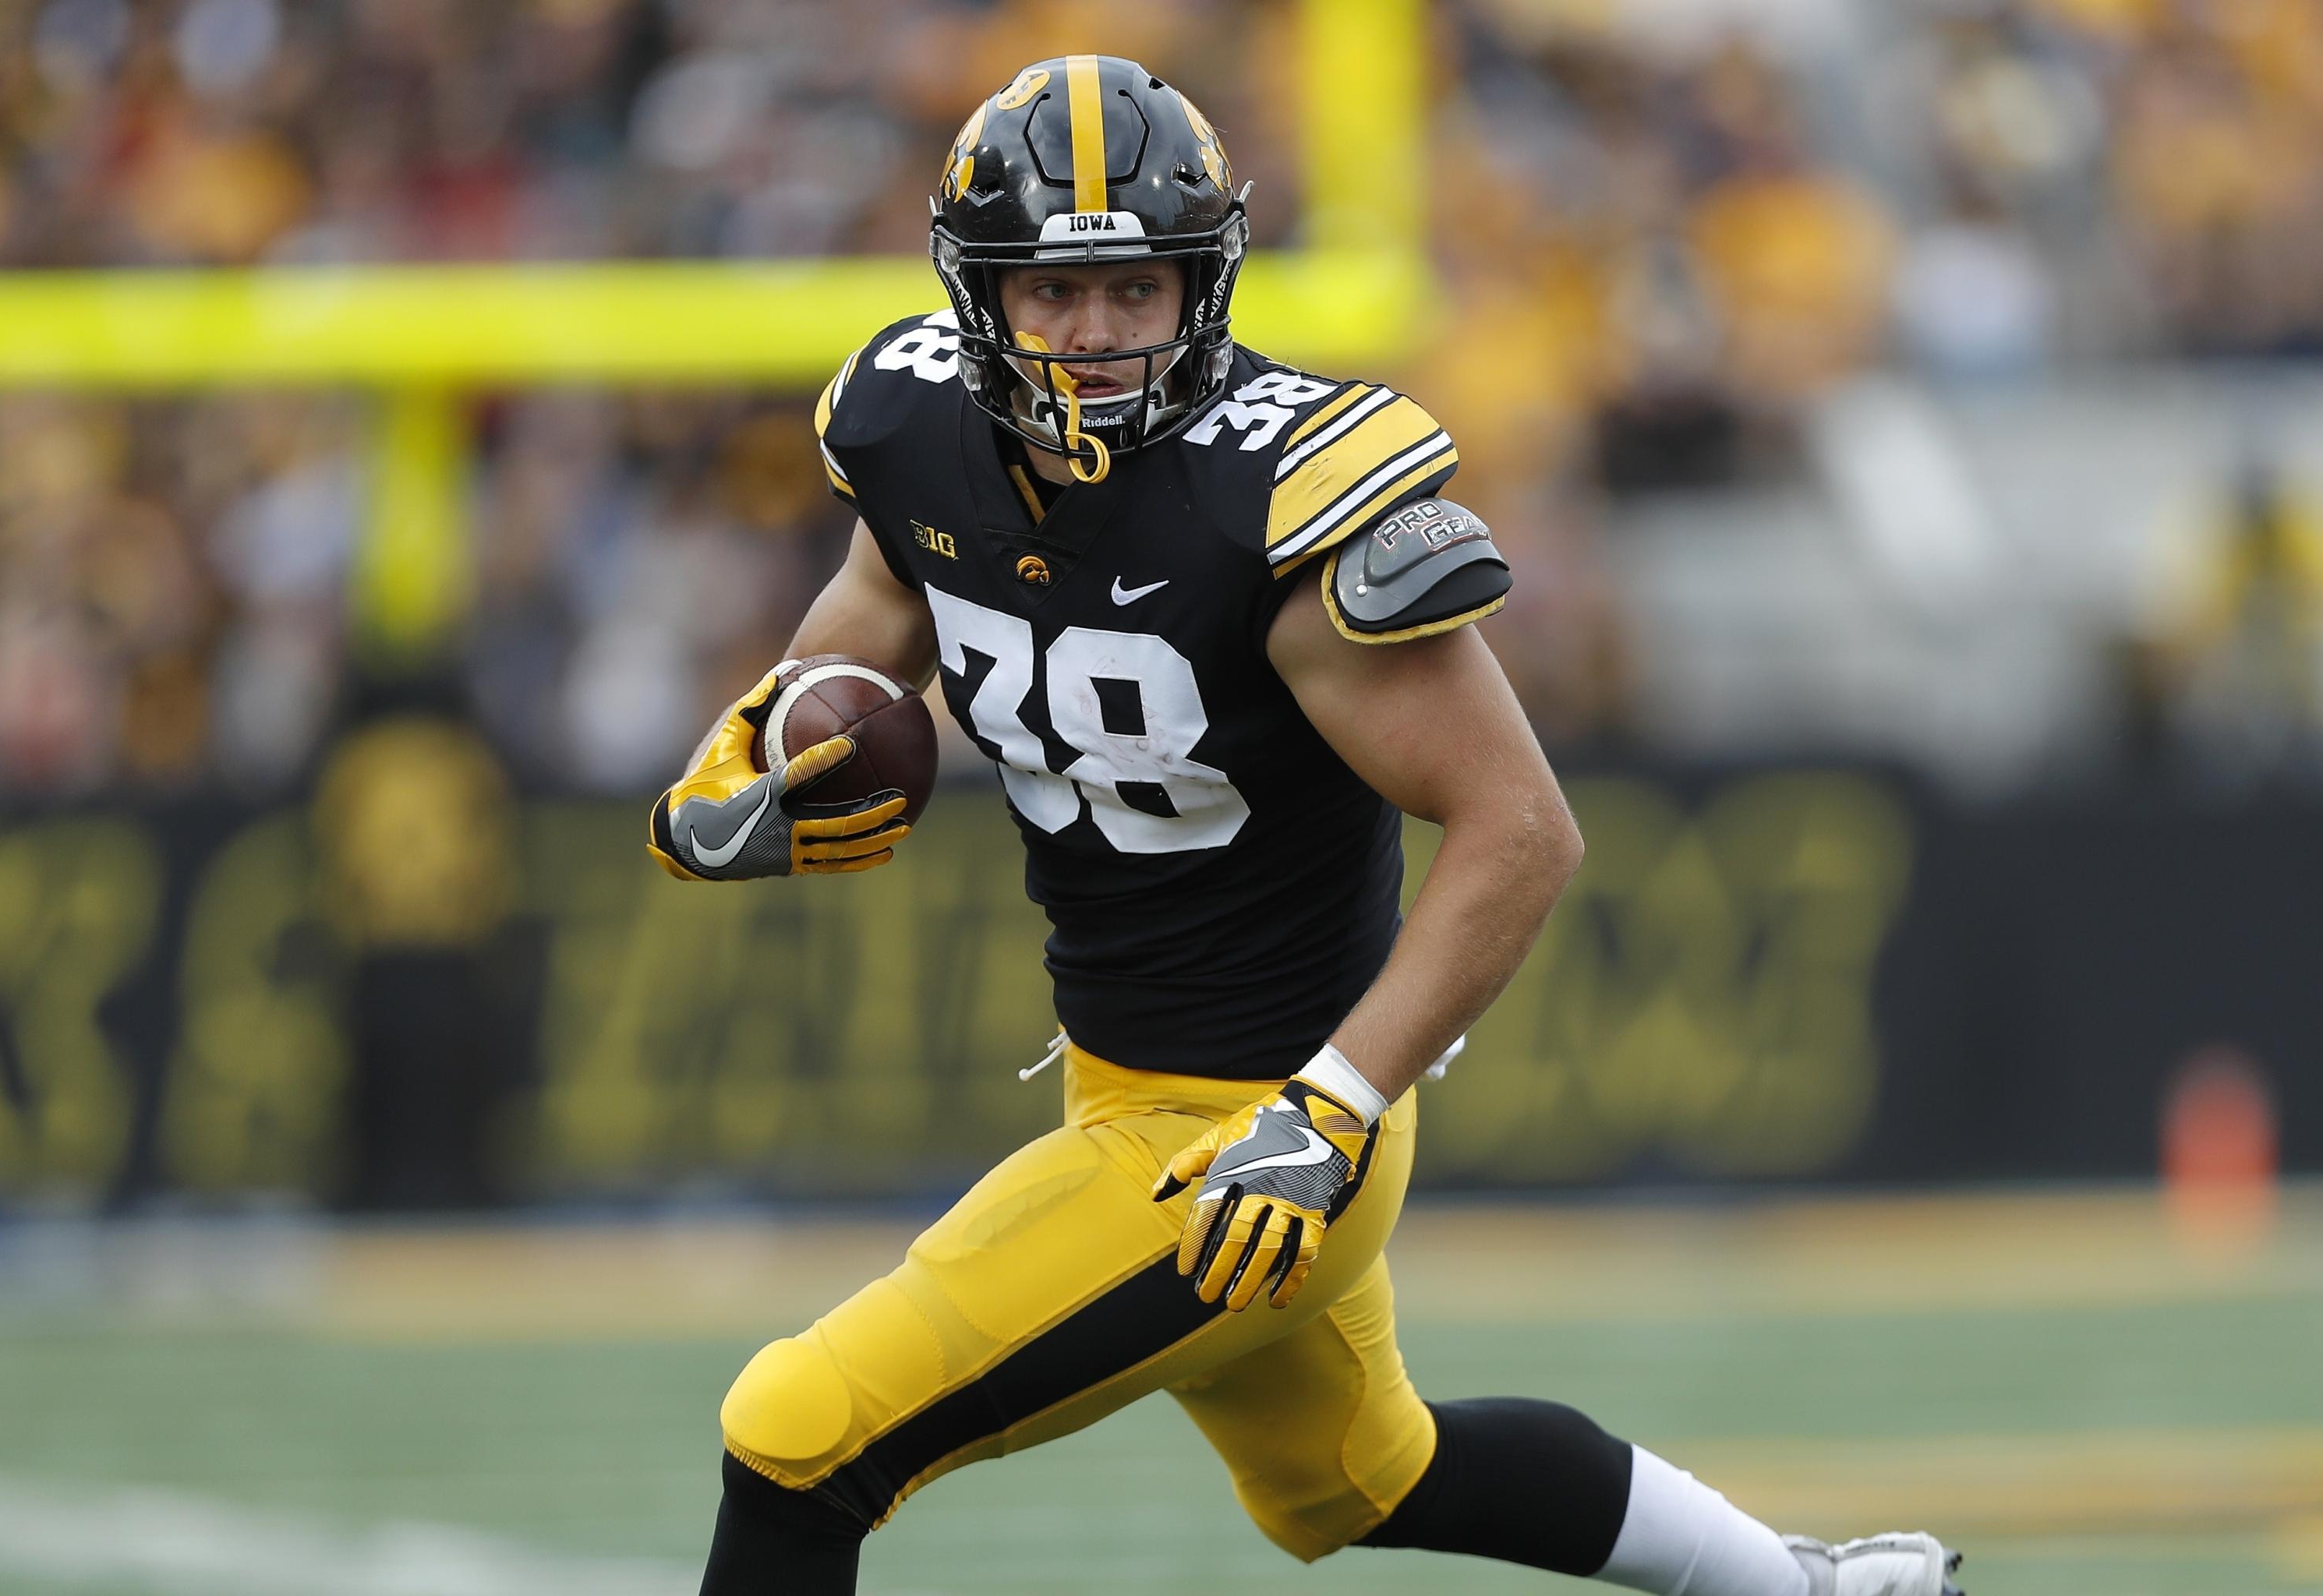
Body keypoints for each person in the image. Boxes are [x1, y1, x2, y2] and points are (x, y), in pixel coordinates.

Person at [649, 55, 1962, 1596]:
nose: (1091, 335)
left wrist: (1328, 1108)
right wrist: (770, 745)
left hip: (1263, 1126)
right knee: (1353, 1477)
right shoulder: (917, 431)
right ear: (977, 296)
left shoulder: (1270, 494)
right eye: (1049, 294)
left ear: (1200, 285)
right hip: (1120, 1076)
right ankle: (1805, 1589)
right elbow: (866, 626)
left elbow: (1521, 831)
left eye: (1134, 289)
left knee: (800, 1426)